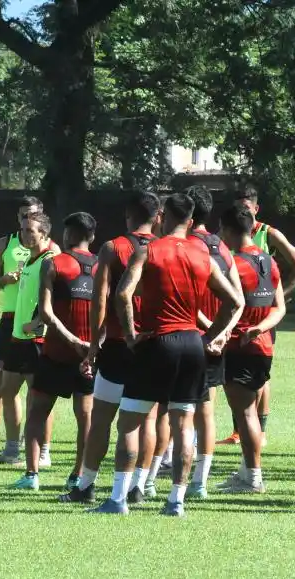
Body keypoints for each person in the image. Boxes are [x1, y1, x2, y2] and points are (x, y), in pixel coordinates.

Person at [91, 193, 242, 517]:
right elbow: (235, 302)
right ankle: (176, 501)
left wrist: (131, 335)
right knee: (183, 424)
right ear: (190, 221)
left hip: (156, 342)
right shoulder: (202, 253)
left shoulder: (148, 251)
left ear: (162, 217)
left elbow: (122, 293)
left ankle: (118, 499)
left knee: (130, 423)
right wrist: (210, 337)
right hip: (191, 345)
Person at [59, 190, 160, 504]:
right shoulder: (165, 248)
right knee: (148, 420)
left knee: (102, 417)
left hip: (117, 346)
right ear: (157, 217)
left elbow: (99, 300)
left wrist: (93, 347)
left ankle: (86, 485)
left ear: (128, 215)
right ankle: (138, 487)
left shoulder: (113, 248)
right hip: (154, 345)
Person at [11, 212, 96, 491]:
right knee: (85, 417)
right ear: (92, 237)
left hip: (56, 352)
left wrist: (71, 340)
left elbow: (46, 314)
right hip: (89, 357)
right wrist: (91, 347)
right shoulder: (101, 266)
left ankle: (32, 475)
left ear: (67, 234)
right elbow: (109, 315)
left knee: (37, 412)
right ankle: (78, 475)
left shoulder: (55, 263)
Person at [217, 185, 295, 446]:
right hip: (250, 321)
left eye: (247, 207)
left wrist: (282, 295)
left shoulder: (267, 235)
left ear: (256, 209)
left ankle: (258, 433)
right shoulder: (246, 252)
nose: (244, 211)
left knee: (252, 388)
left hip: (252, 321)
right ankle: (244, 438)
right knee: (246, 391)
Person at [216, 204, 285, 494]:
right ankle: (246, 470)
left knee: (245, 414)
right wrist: (261, 328)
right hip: (263, 346)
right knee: (250, 413)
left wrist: (216, 333)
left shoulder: (234, 264)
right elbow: (279, 308)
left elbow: (229, 306)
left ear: (230, 230)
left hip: (240, 346)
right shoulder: (269, 262)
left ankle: (253, 477)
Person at [0, 197, 59, 448]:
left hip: (36, 322)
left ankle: (33, 441)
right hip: (10, 318)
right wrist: (4, 279)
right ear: (18, 217)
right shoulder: (6, 243)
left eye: (32, 215)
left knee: (36, 386)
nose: (27, 220)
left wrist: (40, 319)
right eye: (23, 216)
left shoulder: (52, 250)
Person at [184, 185, 243, 499]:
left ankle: (152, 476)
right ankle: (200, 482)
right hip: (212, 343)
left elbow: (180, 297)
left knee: (173, 410)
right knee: (205, 411)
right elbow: (239, 301)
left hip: (184, 336)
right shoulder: (222, 248)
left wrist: (207, 329)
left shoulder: (184, 246)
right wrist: (221, 334)